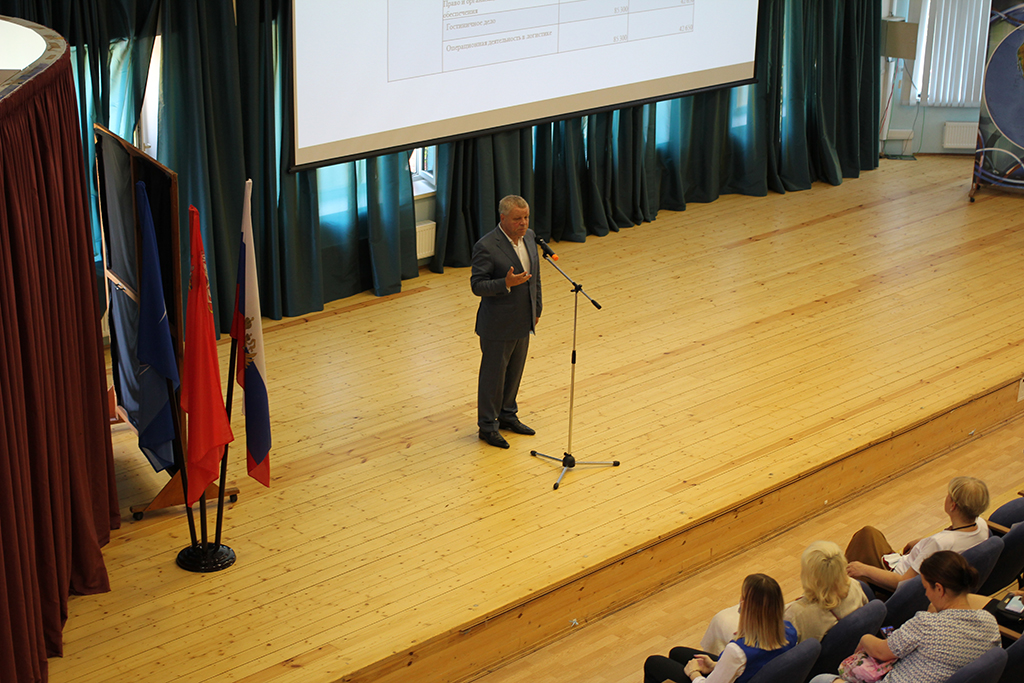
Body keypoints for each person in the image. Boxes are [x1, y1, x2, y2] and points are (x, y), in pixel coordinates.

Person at [808, 551, 1000, 683]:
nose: (926, 595)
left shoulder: (926, 624)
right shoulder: (989, 622)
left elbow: (881, 652)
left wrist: (865, 639)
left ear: (939, 589)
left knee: (821, 679)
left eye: (926, 588)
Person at [701, 541, 868, 654]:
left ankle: (715, 667)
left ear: (811, 577)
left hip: (772, 654)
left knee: (721, 619)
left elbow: (771, 648)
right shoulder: (855, 586)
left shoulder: (798, 614)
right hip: (842, 652)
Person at [471, 195, 542, 449]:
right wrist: (505, 283)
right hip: (497, 325)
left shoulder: (530, 237)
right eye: (517, 219)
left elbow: (535, 277)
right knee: (493, 378)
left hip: (523, 319)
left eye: (526, 217)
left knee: (514, 372)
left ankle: (507, 415)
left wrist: (537, 308)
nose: (523, 223)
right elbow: (477, 285)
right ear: (502, 218)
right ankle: (487, 426)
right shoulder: (487, 246)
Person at [845, 476, 989, 596]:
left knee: (862, 541)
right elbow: (952, 537)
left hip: (893, 576)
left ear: (953, 506)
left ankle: (841, 589)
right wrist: (921, 543)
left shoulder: (938, 544)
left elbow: (903, 582)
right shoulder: (981, 525)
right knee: (870, 533)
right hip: (911, 562)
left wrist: (864, 569)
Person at [644, 574, 797, 683]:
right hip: (747, 672)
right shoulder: (790, 632)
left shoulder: (737, 651)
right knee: (676, 653)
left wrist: (694, 674)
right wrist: (715, 666)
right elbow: (754, 664)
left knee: (654, 663)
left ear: (745, 607)